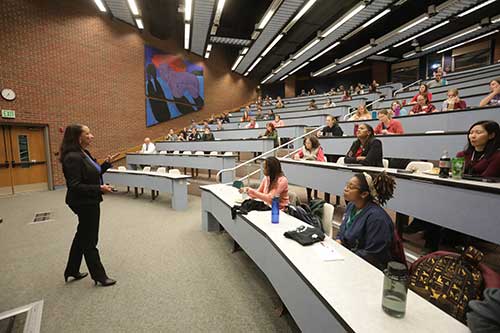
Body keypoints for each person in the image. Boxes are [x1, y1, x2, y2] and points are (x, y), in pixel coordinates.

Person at [60, 124, 116, 286]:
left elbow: (92, 174)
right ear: (78, 137)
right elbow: (75, 185)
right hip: (83, 202)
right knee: (90, 240)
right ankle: (99, 276)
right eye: (88, 134)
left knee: (81, 235)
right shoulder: (72, 157)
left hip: (89, 200)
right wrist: (99, 188)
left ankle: (71, 269)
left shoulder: (84, 153)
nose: (92, 136)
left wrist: (105, 164)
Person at [336, 172, 395, 270]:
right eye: (347, 185)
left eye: (351, 187)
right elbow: (342, 231)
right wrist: (339, 241)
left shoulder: (377, 219)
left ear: (364, 194)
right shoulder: (351, 206)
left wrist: (346, 254)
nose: (346, 189)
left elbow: (373, 255)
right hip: (348, 257)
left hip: (368, 267)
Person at [293, 135, 326, 202]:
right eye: (306, 143)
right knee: (307, 177)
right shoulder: (304, 149)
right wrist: (296, 156)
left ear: (313, 143)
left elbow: (321, 160)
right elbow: (296, 155)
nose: (306, 145)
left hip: (316, 170)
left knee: (310, 178)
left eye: (308, 143)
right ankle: (309, 196)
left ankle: (311, 196)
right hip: (306, 170)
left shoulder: (318, 149)